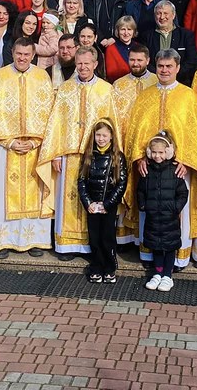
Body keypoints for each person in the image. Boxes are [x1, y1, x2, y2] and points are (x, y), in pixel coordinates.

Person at [121, 50, 197, 266]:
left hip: (177, 170)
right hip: (149, 169)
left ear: (178, 68)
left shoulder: (188, 96)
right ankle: (151, 256)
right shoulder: (146, 96)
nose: (164, 70)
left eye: (169, 66)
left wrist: (187, 162)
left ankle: (176, 260)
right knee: (150, 212)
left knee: (176, 213)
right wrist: (140, 158)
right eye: (161, 66)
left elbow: (195, 132)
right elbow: (135, 131)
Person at [0, 39, 55, 258]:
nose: (22, 58)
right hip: (4, 147)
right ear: (13, 52)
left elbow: (49, 116)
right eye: (19, 53)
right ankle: (2, 241)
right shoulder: (0, 76)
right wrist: (9, 142)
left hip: (34, 147)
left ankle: (35, 240)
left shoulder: (41, 77)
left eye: (27, 54)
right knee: (1, 193)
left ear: (33, 54)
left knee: (35, 192)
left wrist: (35, 142)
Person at [38, 46, 119, 259]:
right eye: (79, 63)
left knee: (94, 199)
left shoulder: (105, 89)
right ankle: (67, 246)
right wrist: (55, 154)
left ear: (95, 64)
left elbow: (113, 124)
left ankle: (92, 246)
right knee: (70, 199)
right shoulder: (65, 89)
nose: (82, 67)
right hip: (68, 153)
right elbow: (56, 122)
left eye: (87, 63)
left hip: (96, 155)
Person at [138, 133, 189, 293]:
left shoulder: (174, 171)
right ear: (149, 153)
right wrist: (143, 205)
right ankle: (158, 273)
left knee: (169, 246)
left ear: (168, 152)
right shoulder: (147, 171)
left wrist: (175, 207)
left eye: (161, 152)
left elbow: (183, 193)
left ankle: (168, 275)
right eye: (154, 152)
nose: (157, 156)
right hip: (153, 217)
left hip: (170, 217)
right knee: (156, 246)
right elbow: (140, 190)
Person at [78, 119, 128, 283]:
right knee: (95, 238)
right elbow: (82, 182)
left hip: (108, 206)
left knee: (107, 238)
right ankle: (96, 267)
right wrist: (88, 203)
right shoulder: (88, 155)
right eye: (98, 135)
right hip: (93, 206)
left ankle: (109, 268)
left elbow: (121, 184)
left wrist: (107, 204)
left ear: (111, 137)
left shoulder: (117, 157)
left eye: (104, 135)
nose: (101, 139)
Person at [140, 1, 197, 85]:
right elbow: (145, 61)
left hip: (180, 83)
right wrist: (159, 75)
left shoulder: (186, 35)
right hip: (153, 82)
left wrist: (172, 75)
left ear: (173, 15)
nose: (162, 17)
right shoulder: (146, 36)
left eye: (166, 13)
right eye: (159, 13)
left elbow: (191, 61)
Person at [111, 44, 157, 123]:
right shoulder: (118, 84)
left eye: (139, 60)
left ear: (147, 61)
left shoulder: (157, 81)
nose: (135, 64)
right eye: (132, 60)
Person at [103, 16, 140, 83]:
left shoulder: (138, 47)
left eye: (129, 29)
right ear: (118, 31)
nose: (126, 33)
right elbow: (111, 74)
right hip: (119, 86)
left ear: (133, 31)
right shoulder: (111, 48)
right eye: (123, 29)